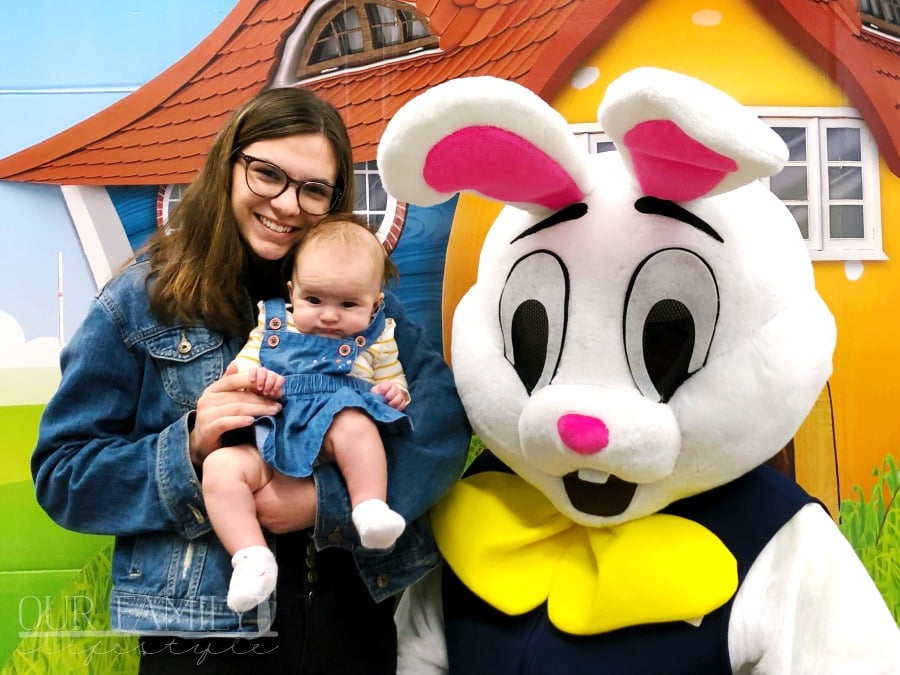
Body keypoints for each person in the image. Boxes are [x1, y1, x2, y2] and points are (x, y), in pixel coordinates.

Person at [31, 86, 470, 675]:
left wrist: (325, 502)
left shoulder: (363, 305)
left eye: (314, 189)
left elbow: (440, 431)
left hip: (350, 622)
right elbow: (64, 475)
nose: (287, 204)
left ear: (335, 199)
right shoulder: (141, 301)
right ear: (228, 165)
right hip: (203, 642)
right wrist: (188, 447)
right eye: (267, 174)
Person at [204, 215, 412, 614]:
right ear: (292, 292)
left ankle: (369, 508)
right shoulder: (272, 324)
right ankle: (251, 558)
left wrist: (393, 393)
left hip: (335, 437)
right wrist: (255, 378)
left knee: (355, 424)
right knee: (220, 467)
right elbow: (239, 371)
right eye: (313, 300)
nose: (329, 316)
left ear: (375, 304)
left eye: (348, 304)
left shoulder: (379, 336)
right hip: (273, 434)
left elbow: (394, 381)